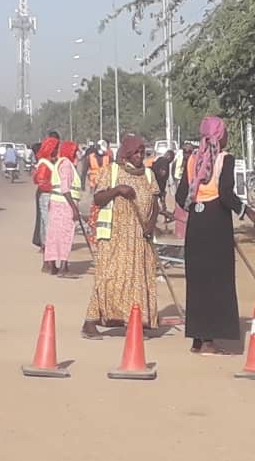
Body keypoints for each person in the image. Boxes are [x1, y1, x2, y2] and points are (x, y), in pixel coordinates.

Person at [177, 117, 255, 356]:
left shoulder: (192, 160)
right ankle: (208, 341)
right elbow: (226, 194)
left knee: (197, 281)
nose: (227, 138)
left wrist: (198, 204)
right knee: (217, 281)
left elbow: (181, 196)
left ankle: (197, 338)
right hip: (216, 223)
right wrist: (248, 212)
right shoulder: (225, 159)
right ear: (219, 137)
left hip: (196, 224)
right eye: (225, 133)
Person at [81, 135, 160, 339]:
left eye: (142, 152)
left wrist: (150, 226)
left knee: (137, 279)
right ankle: (90, 322)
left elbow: (155, 204)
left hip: (140, 237)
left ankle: (133, 322)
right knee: (109, 278)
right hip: (115, 237)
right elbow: (98, 199)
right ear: (126, 154)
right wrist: (117, 190)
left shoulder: (148, 175)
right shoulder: (112, 171)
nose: (139, 156)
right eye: (135, 152)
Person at [46, 140, 83, 277]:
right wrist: (74, 208)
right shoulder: (67, 165)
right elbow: (65, 188)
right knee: (65, 235)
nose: (78, 154)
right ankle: (63, 267)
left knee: (55, 234)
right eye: (76, 151)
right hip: (65, 204)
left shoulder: (59, 163)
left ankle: (51, 265)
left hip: (56, 202)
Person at [32, 136, 60, 270]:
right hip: (47, 196)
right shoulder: (45, 164)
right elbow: (41, 182)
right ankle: (49, 261)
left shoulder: (51, 162)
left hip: (50, 196)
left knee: (47, 227)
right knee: (49, 228)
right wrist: (56, 187)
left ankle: (48, 261)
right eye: (56, 148)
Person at [172, 143, 195, 239]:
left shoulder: (195, 164)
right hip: (180, 195)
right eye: (185, 151)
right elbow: (174, 175)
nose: (187, 154)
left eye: (189, 152)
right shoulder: (178, 161)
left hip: (190, 198)